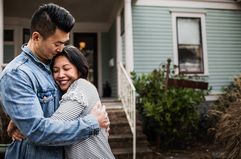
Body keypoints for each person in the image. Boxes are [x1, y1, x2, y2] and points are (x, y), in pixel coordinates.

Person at [0, 3, 109, 159]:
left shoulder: (51, 63)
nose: (61, 48)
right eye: (57, 43)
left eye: (64, 43)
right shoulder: (17, 74)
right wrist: (92, 123)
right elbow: (37, 131)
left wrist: (18, 121)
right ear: (36, 37)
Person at [49, 45, 115, 159]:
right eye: (55, 70)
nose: (60, 75)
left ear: (79, 70)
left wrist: (26, 126)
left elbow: (51, 129)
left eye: (66, 68)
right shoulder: (66, 94)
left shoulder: (81, 86)